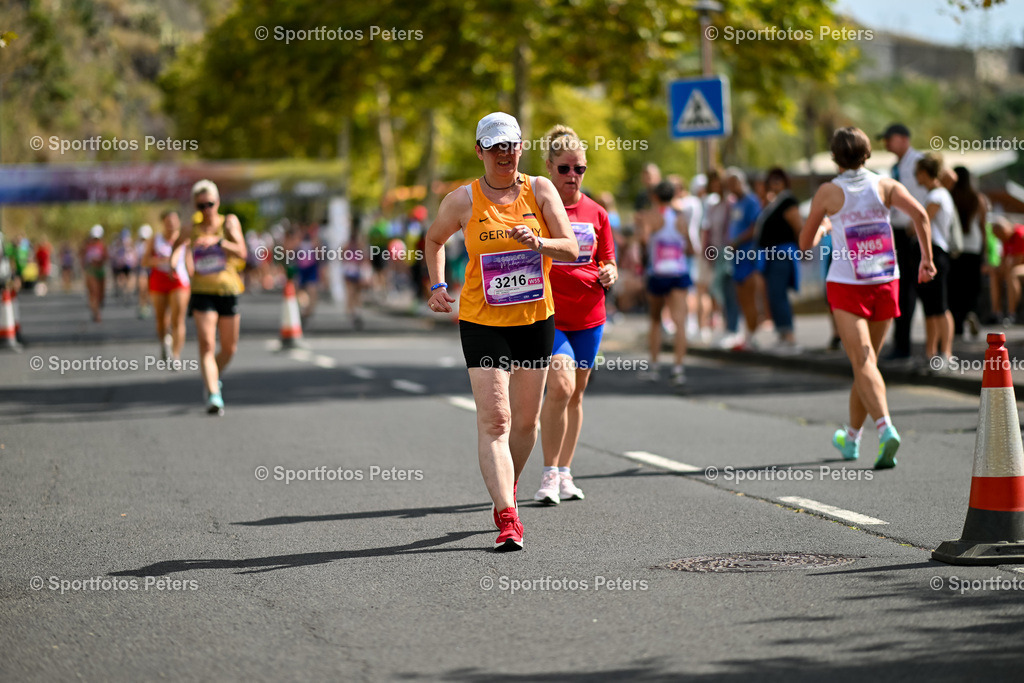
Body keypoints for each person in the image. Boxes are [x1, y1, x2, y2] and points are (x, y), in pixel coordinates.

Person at [424, 112, 578, 551]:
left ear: (520, 147)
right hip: (482, 320)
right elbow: (433, 240)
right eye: (494, 147)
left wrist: (540, 243)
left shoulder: (540, 189)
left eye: (510, 145)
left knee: (526, 422)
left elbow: (571, 248)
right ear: (479, 151)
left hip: (534, 319)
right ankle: (508, 515)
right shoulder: (462, 200)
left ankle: (505, 488)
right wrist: (437, 285)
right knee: (497, 419)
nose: (504, 154)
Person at [799, 126, 934, 470]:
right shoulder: (886, 185)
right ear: (869, 153)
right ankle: (852, 438)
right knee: (868, 362)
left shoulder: (829, 192)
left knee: (862, 361)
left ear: (834, 157)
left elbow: (804, 243)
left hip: (847, 285)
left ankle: (886, 428)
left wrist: (826, 227)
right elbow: (920, 214)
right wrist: (927, 260)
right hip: (886, 280)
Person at [533, 125, 617, 506]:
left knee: (577, 395)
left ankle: (566, 471)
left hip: (591, 315)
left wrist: (610, 271)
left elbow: (608, 258)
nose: (572, 176)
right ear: (549, 168)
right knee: (561, 388)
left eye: (579, 169)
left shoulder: (596, 212)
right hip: (550, 313)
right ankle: (549, 473)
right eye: (565, 169)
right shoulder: (539, 209)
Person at [174, 179, 247, 416]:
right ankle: (214, 393)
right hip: (202, 290)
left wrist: (219, 242)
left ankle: (213, 377)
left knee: (229, 348)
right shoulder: (190, 228)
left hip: (227, 289)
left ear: (217, 202)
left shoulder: (229, 223)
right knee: (207, 344)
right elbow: (176, 246)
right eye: (200, 206)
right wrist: (175, 264)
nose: (206, 210)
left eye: (210, 204)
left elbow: (242, 251)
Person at [879, 123, 928, 361]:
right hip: (898, 233)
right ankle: (902, 345)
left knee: (918, 291)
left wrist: (923, 217)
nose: (886, 144)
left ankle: (933, 349)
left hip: (914, 234)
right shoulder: (896, 167)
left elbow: (944, 181)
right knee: (902, 289)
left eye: (889, 139)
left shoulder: (920, 160)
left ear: (902, 139)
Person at [641, 180, 693, 384]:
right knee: (680, 322)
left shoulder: (650, 217)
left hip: (658, 273)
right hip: (678, 273)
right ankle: (678, 369)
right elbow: (690, 247)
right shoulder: (681, 218)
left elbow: (644, 241)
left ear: (654, 197)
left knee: (655, 320)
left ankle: (654, 367)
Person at [914, 153, 955, 367]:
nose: (915, 176)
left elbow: (922, 222)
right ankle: (931, 354)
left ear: (924, 172)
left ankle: (946, 353)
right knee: (931, 307)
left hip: (937, 252)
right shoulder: (935, 194)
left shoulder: (937, 196)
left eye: (917, 172)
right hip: (931, 252)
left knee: (940, 306)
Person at [756, 167, 803, 352]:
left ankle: (789, 335)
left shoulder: (788, 201)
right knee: (773, 295)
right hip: (770, 255)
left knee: (779, 294)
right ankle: (783, 334)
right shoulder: (772, 203)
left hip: (782, 254)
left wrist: (804, 249)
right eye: (771, 180)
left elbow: (798, 226)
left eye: (778, 180)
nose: (774, 183)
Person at [144, 210, 190, 363]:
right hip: (159, 280)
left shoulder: (184, 239)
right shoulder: (155, 239)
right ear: (163, 222)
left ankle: (176, 355)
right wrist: (161, 261)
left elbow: (189, 262)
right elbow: (145, 261)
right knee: (161, 319)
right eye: (168, 221)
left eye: (174, 221)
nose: (171, 224)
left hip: (179, 281)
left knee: (178, 319)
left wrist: (194, 279)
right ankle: (165, 343)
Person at [725, 168, 764, 350]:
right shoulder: (735, 204)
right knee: (741, 297)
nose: (730, 187)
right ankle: (747, 334)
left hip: (748, 255)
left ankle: (753, 335)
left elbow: (755, 227)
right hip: (737, 258)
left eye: (733, 183)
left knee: (750, 296)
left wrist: (737, 241)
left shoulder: (751, 201)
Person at [948, 166, 987, 339]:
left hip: (956, 248)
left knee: (955, 287)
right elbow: (983, 226)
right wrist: (985, 251)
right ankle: (971, 312)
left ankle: (957, 325)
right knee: (972, 286)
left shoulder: (951, 197)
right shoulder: (978, 199)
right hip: (974, 247)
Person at [81, 225, 107, 322]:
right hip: (91, 271)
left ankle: (97, 307)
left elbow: (106, 257)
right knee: (94, 293)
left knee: (101, 295)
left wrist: (99, 260)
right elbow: (82, 256)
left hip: (100, 270)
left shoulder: (102, 245)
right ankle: (96, 313)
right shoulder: (86, 245)